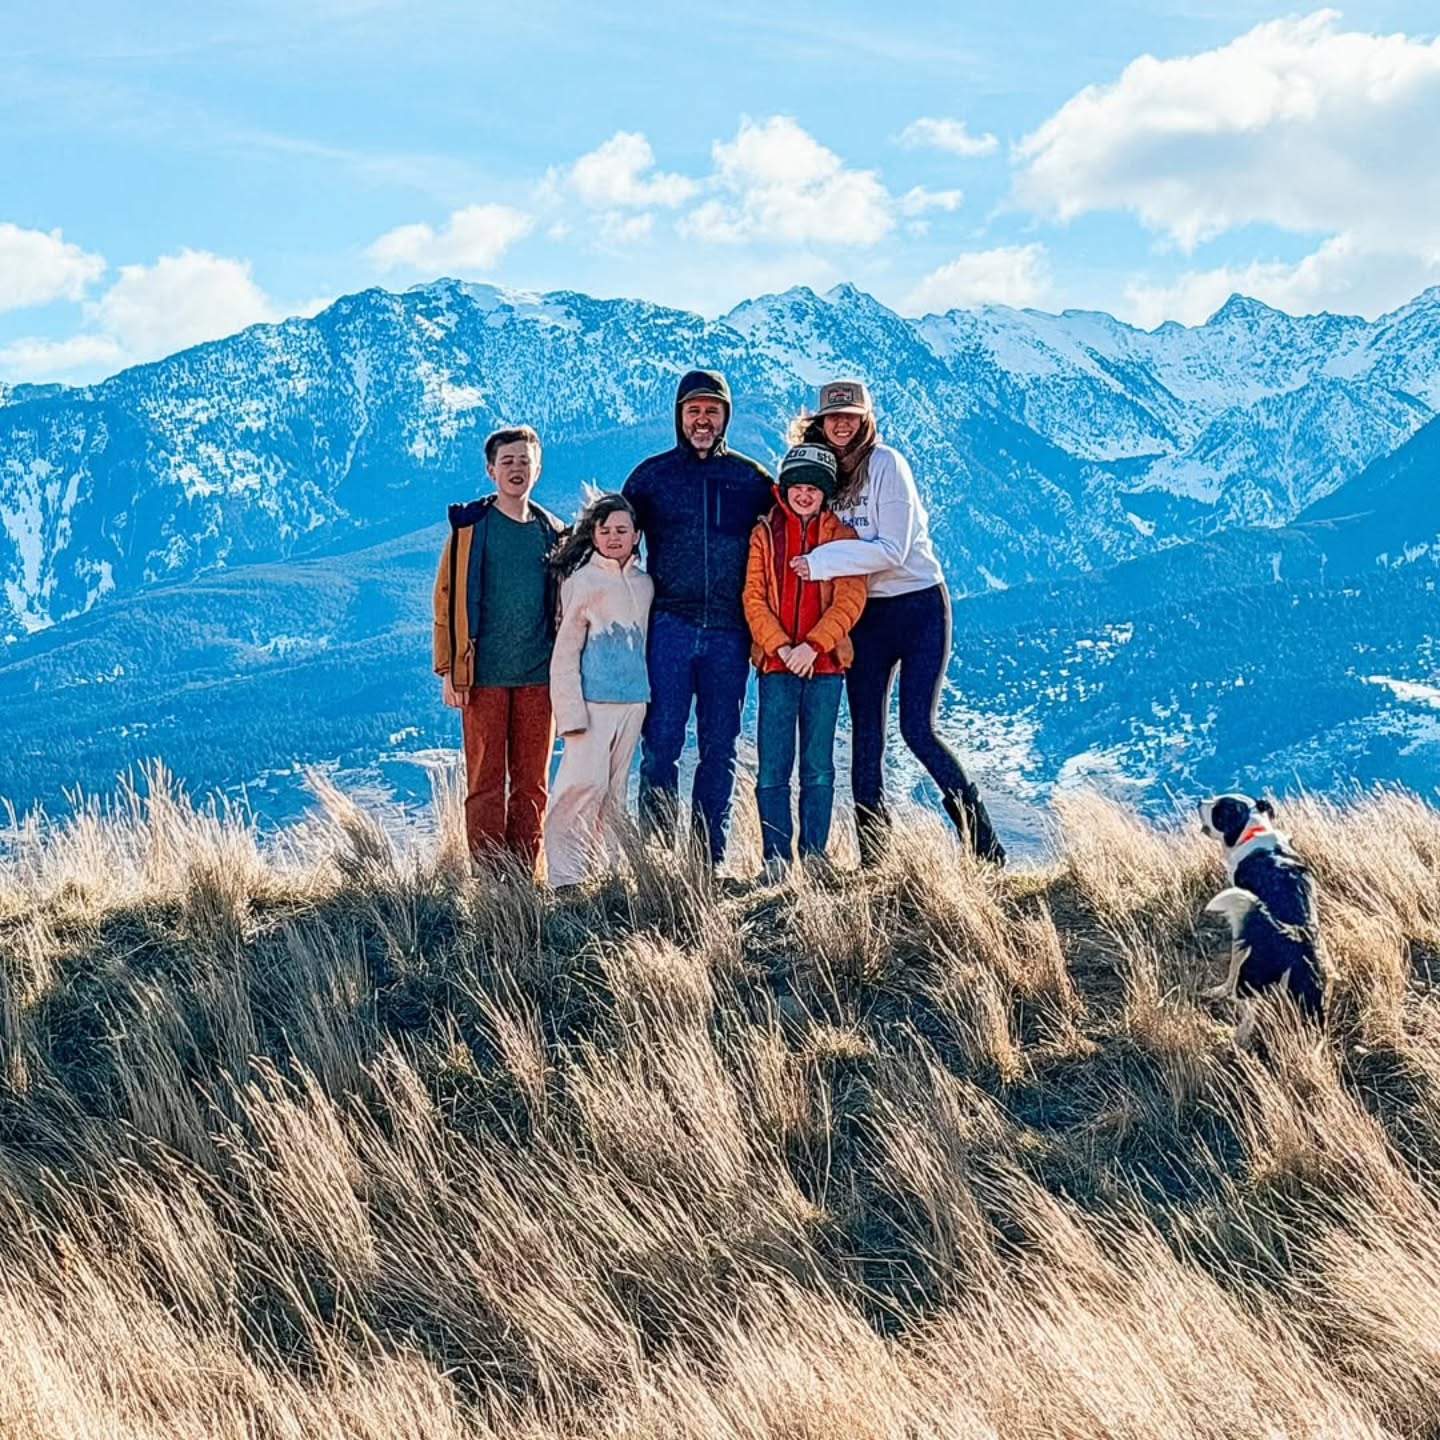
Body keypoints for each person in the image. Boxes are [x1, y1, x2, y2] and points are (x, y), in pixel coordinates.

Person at [789, 380, 1006, 866]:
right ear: (821, 422)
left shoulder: (887, 463)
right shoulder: (823, 474)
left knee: (917, 729)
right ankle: (875, 856)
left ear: (866, 419)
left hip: (919, 606)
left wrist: (821, 560)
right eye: (832, 417)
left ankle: (984, 844)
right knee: (865, 734)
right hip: (866, 616)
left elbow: (894, 549)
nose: (841, 424)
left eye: (851, 415)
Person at [622, 370, 772, 867]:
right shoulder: (651, 477)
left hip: (730, 633)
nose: (702, 420)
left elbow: (797, 524)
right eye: (693, 411)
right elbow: (612, 536)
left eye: (711, 410)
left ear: (725, 416)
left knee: (719, 748)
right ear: (679, 417)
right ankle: (657, 859)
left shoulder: (751, 480)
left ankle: (708, 861)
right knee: (661, 742)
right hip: (669, 626)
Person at [432, 425, 567, 876]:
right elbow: (446, 601)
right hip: (483, 676)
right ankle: (491, 880)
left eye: (524, 461)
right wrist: (448, 669)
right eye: (507, 461)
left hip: (538, 677)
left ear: (539, 469)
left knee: (532, 784)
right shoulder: (471, 530)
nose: (516, 469)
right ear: (491, 470)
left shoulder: (553, 533)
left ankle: (524, 878)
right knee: (485, 783)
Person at [743, 444, 867, 881]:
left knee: (818, 765)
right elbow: (753, 598)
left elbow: (851, 599)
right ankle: (775, 859)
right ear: (785, 488)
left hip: (826, 666)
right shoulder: (765, 533)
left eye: (814, 487)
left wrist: (812, 646)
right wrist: (780, 648)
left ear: (825, 492)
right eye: (798, 485)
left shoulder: (843, 538)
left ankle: (815, 856)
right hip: (776, 667)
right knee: (773, 766)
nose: (805, 494)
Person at [544, 493, 654, 889]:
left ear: (637, 535)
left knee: (613, 791)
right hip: (591, 705)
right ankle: (565, 878)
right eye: (605, 530)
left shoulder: (645, 585)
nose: (613, 537)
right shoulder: (582, 582)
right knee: (580, 787)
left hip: (633, 702)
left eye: (622, 530)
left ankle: (607, 873)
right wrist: (570, 713)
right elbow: (566, 651)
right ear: (593, 534)